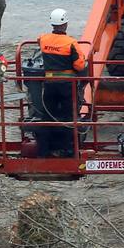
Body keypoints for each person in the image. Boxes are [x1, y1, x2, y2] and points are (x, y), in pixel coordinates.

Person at [34, 8, 87, 157]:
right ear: (65, 24)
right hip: (66, 86)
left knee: (47, 117)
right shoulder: (71, 43)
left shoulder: (44, 39)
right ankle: (68, 151)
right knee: (68, 117)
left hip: (49, 85)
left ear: (52, 24)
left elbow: (39, 40)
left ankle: (43, 152)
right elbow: (80, 66)